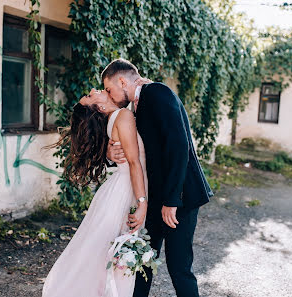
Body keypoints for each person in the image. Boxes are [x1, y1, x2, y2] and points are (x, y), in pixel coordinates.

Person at [103, 58, 213, 297]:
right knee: (143, 260)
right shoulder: (135, 106)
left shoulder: (157, 92)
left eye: (110, 89)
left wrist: (172, 200)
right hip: (155, 197)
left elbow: (179, 146)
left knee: (179, 267)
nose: (109, 95)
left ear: (122, 81)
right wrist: (110, 154)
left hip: (179, 197)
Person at [42, 88, 148, 297]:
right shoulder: (123, 115)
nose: (93, 90)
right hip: (127, 192)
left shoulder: (118, 116)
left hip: (122, 188)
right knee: (110, 255)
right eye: (90, 96)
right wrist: (142, 202)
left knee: (108, 255)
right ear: (99, 107)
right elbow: (134, 162)